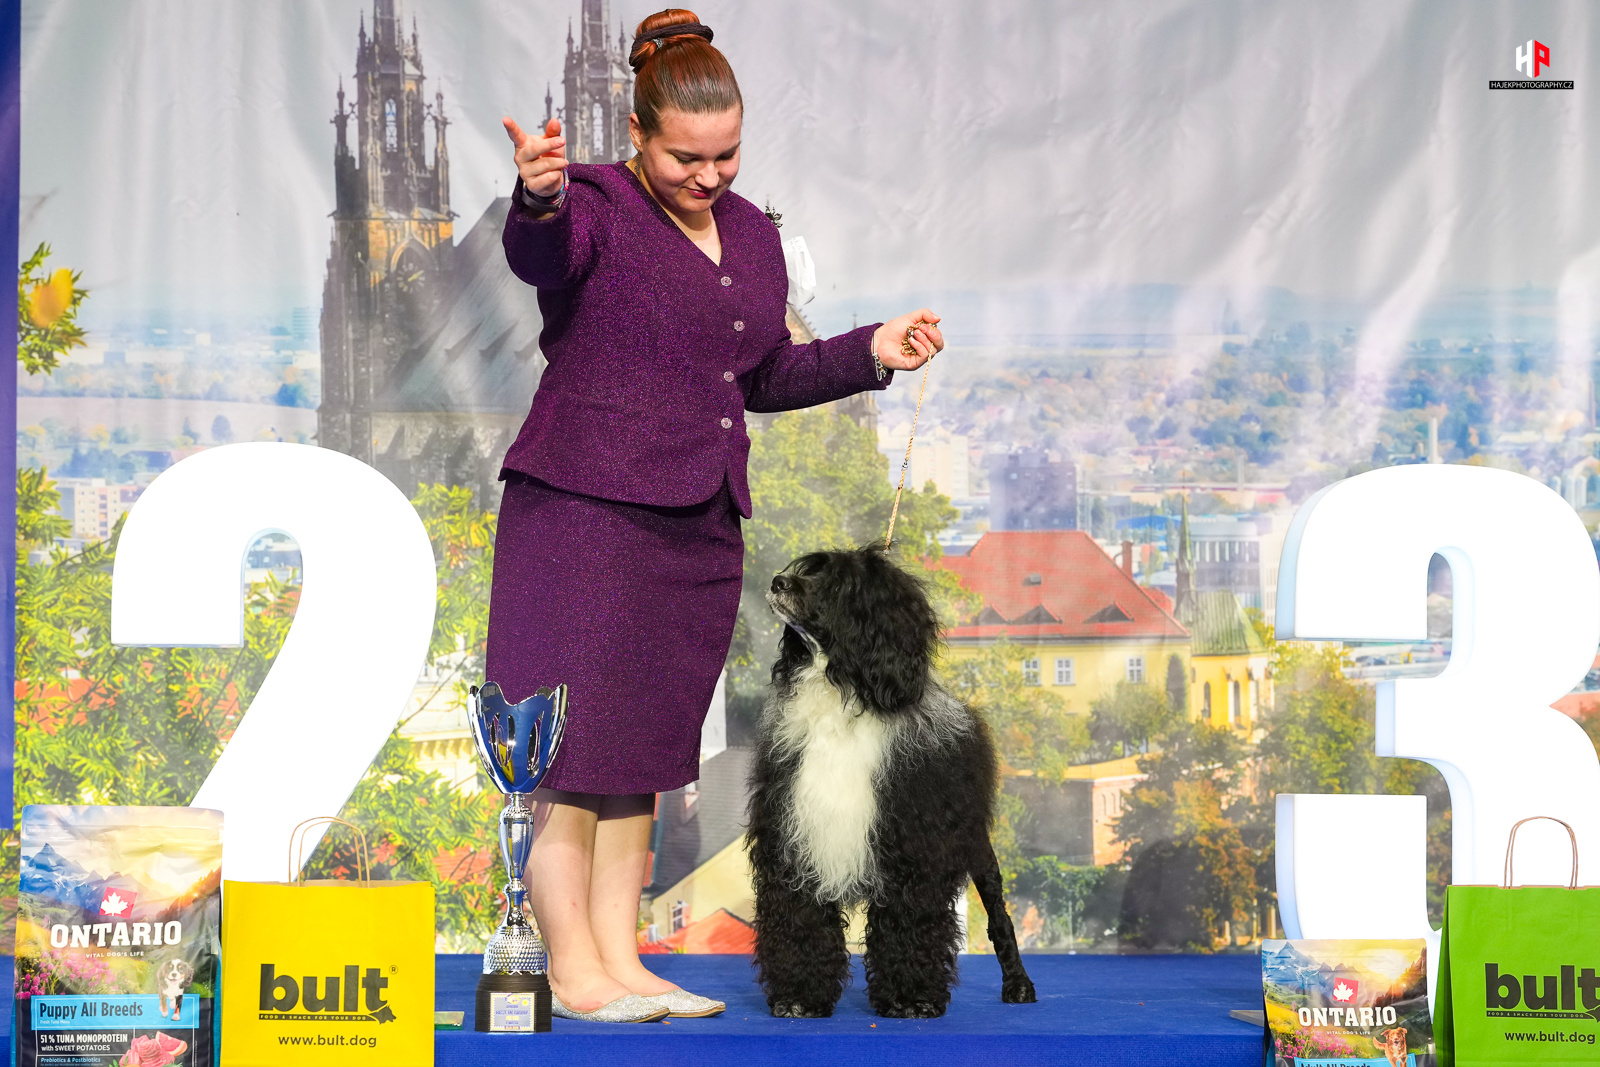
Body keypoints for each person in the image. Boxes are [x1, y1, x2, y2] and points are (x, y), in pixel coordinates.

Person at [492, 7, 944, 1024]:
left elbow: (762, 373)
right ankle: (572, 969)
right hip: (581, 515)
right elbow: (542, 257)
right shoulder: (593, 202)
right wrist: (537, 198)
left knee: (642, 756)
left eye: (726, 155)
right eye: (684, 157)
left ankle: (624, 959)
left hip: (695, 526)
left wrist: (872, 349)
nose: (708, 175)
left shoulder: (750, 233)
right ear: (638, 133)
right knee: (569, 758)